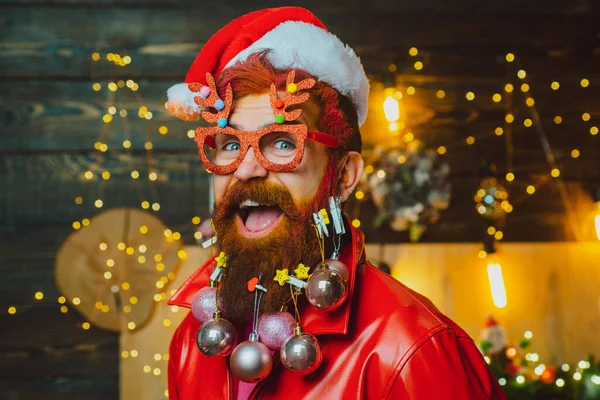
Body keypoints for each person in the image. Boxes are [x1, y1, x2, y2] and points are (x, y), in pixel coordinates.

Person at [166, 6, 506, 400]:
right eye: (228, 145)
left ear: (344, 175)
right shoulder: (193, 340)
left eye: (281, 142)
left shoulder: (411, 348)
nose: (245, 171)